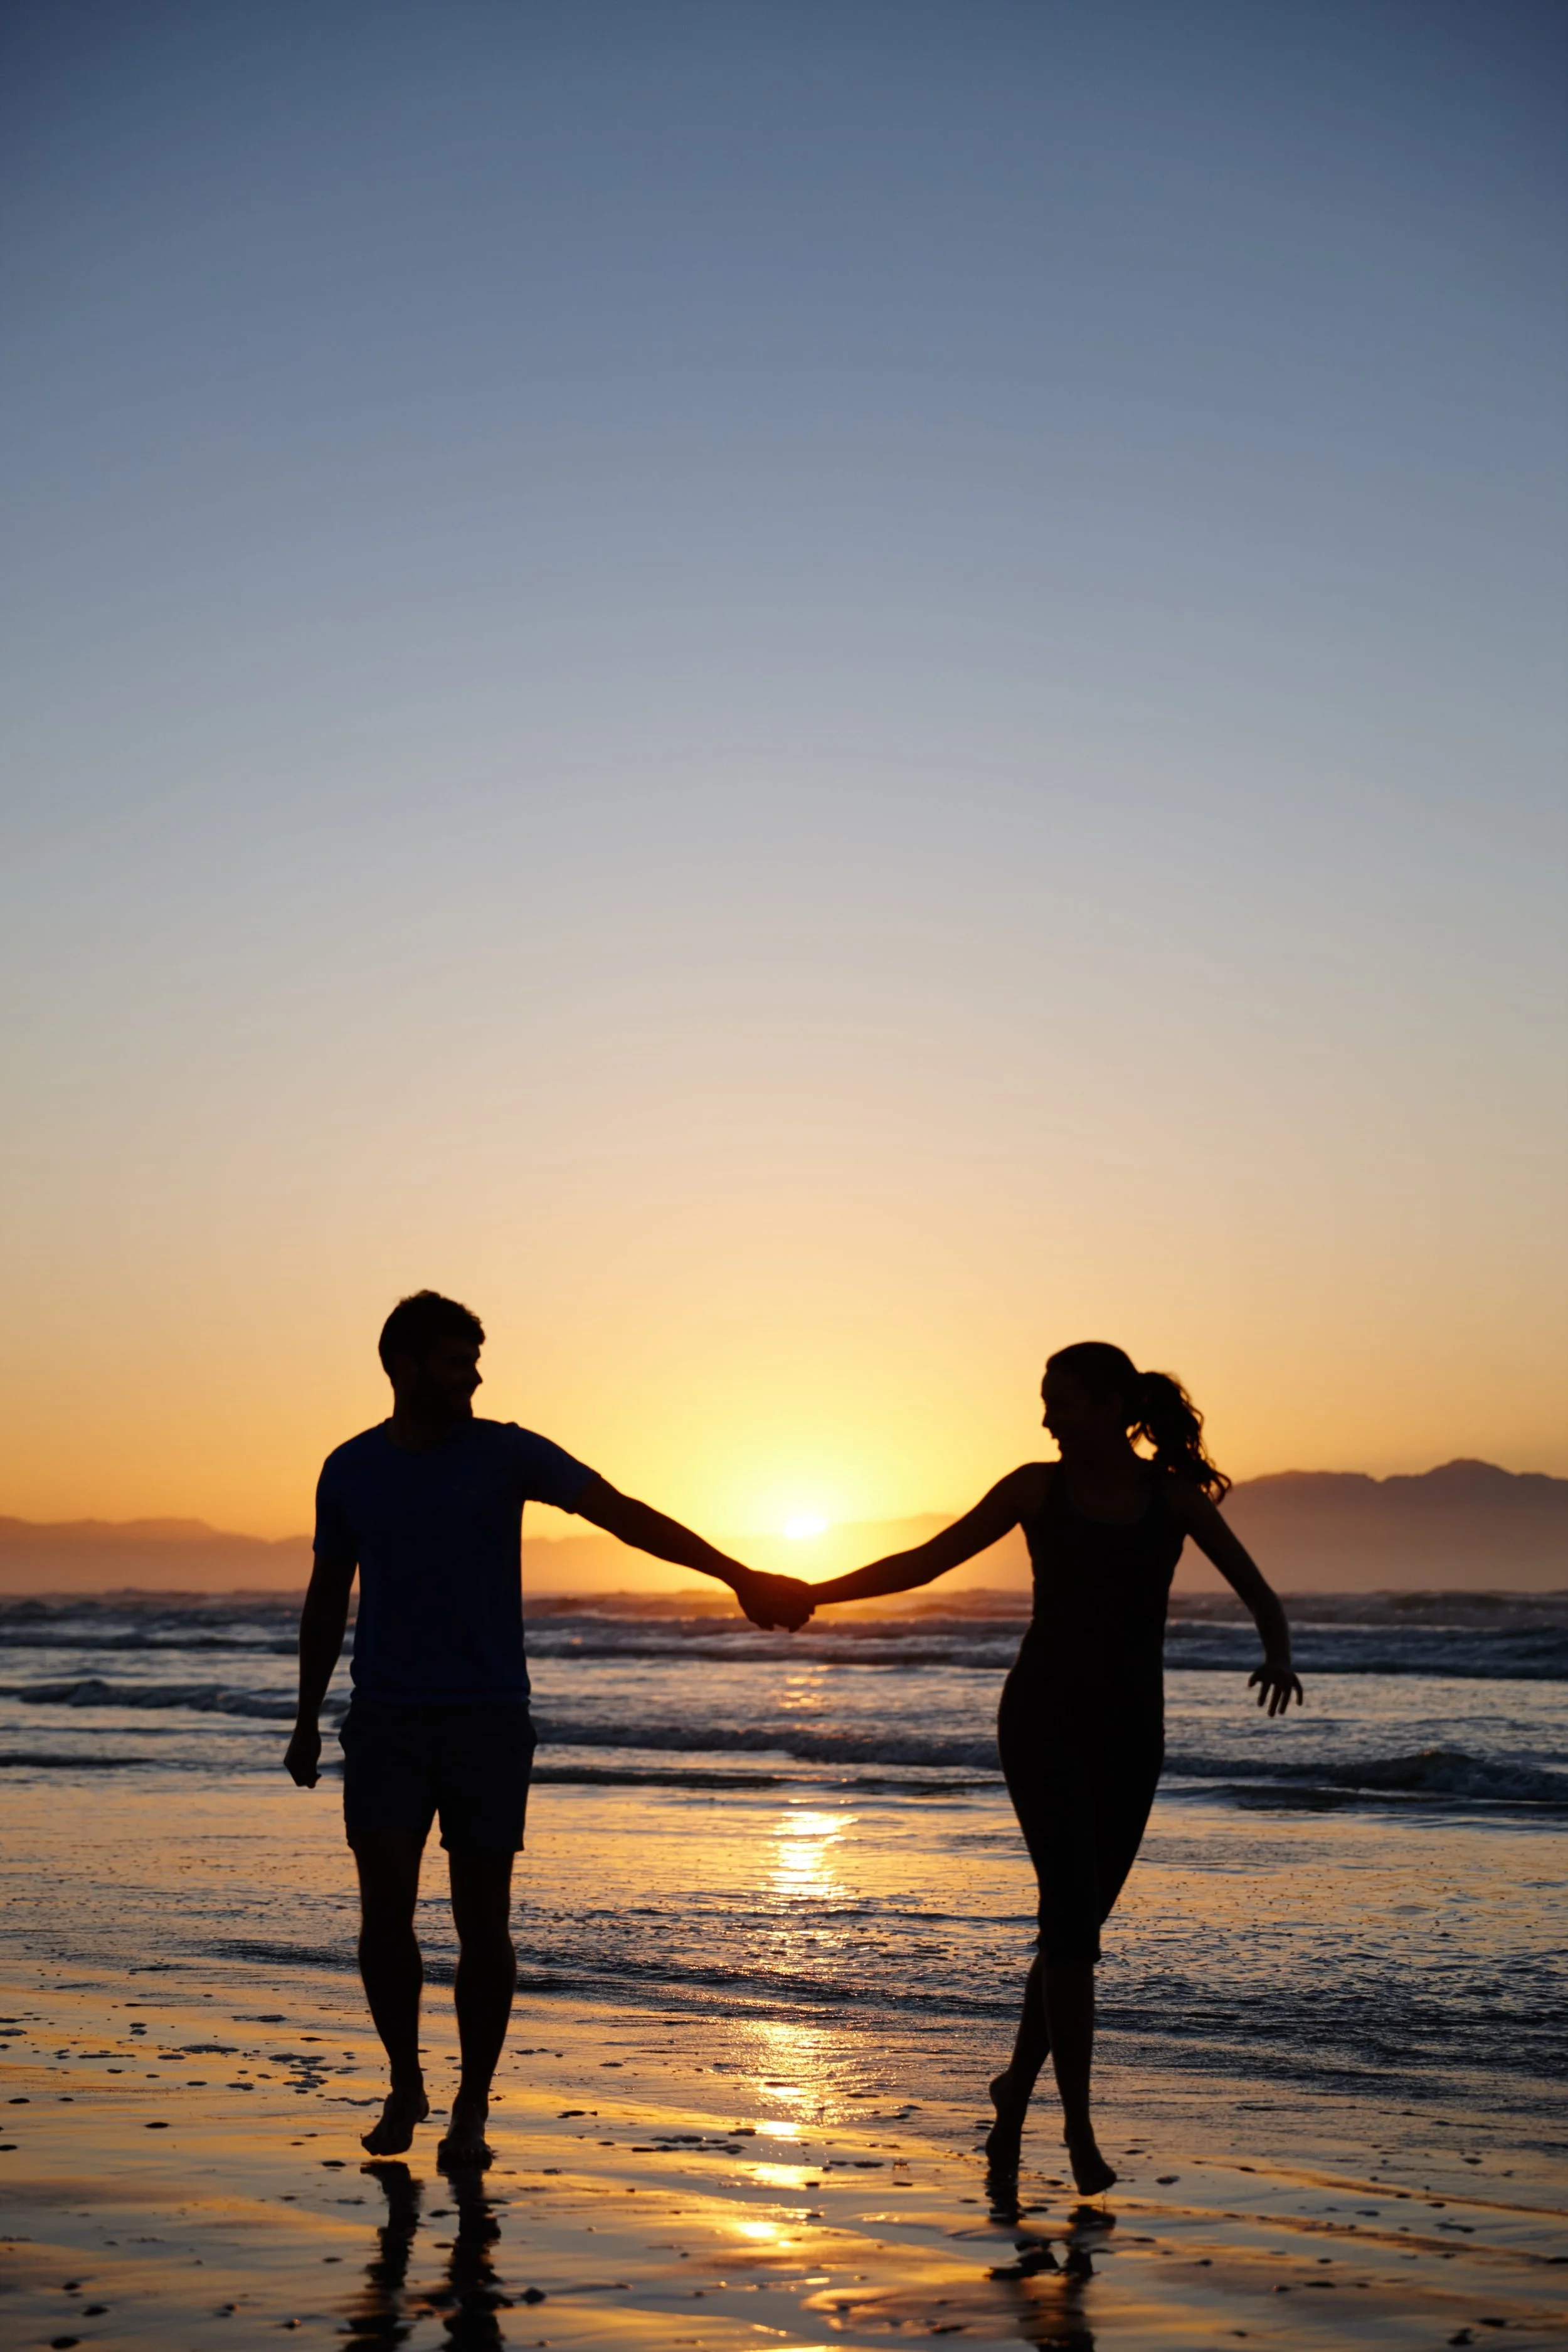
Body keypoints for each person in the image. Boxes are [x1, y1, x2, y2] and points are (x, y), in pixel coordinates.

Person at [283, 1290, 813, 2168]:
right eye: (457, 1363)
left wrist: (736, 1573)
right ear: (403, 1368)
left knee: (481, 1924)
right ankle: (405, 2078)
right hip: (384, 1720)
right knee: (385, 1917)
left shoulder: (508, 1453)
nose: (474, 1378)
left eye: (475, 1363)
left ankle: (473, 2104)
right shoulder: (350, 1470)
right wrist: (305, 1716)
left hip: (487, 1721)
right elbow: (325, 1596)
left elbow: (624, 1513)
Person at [806, 1340, 1302, 2194]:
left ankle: (1014, 2090)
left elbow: (1259, 1590)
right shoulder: (1035, 1487)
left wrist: (1278, 1651)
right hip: (1042, 1722)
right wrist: (815, 1590)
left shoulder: (1171, 1497)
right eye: (1046, 1402)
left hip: (1131, 1736)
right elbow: (928, 1560)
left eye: (1062, 1402)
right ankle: (1076, 2129)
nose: (1046, 1418)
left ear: (1111, 1405)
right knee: (1071, 1926)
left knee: (1074, 1933)